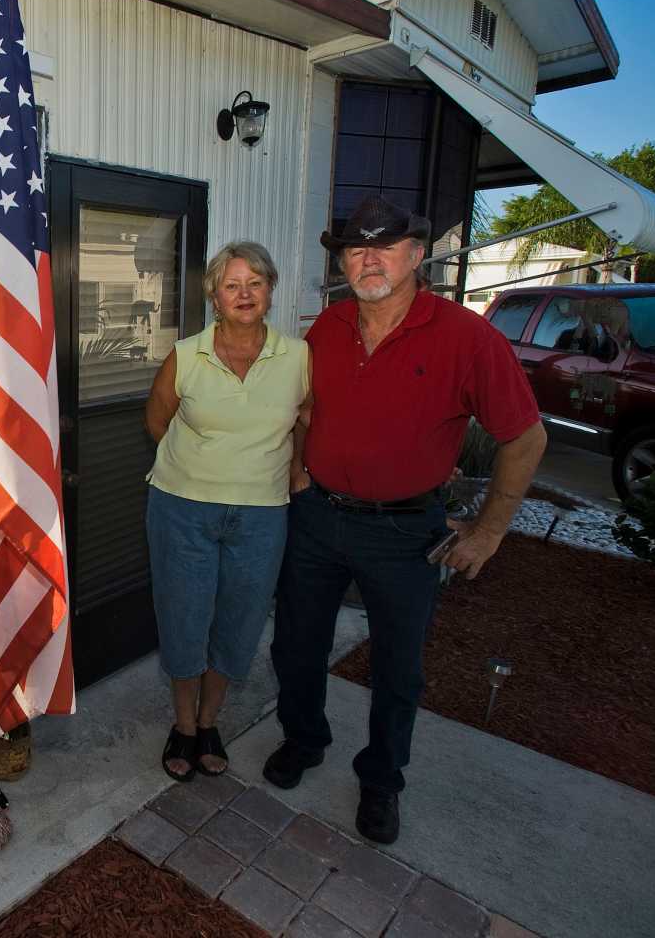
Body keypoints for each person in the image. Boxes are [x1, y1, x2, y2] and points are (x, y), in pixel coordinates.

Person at [267, 195, 545, 843]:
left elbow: (525, 437)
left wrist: (489, 531)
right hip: (317, 518)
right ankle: (304, 740)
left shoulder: (467, 337)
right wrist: (297, 465)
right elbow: (305, 408)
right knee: (296, 645)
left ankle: (382, 779)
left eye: (385, 247)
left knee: (397, 667)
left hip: (403, 532)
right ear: (342, 261)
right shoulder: (328, 325)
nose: (369, 260)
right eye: (356, 249)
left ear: (417, 255)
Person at [144, 242, 310, 781]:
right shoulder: (186, 354)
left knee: (240, 623)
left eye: (255, 283)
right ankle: (183, 725)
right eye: (232, 285)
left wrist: (296, 467)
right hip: (182, 509)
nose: (244, 294)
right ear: (214, 296)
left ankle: (210, 721)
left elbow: (307, 419)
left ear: (270, 291)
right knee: (184, 618)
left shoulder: (299, 358)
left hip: (262, 514)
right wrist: (200, 467)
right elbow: (156, 421)